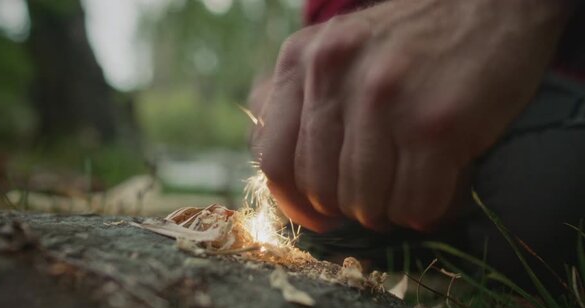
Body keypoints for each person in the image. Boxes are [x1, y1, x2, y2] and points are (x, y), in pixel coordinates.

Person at [248, 0, 585, 287]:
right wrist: (310, 85)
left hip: (553, 78)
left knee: (541, 194)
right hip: (371, 155)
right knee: (307, 203)